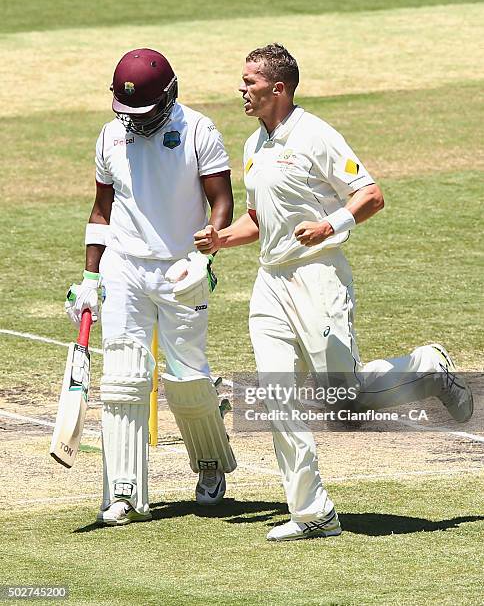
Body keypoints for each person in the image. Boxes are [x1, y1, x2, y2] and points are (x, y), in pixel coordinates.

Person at [194, 43, 473, 542]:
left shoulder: (316, 135)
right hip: (271, 283)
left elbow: (371, 195)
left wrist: (330, 224)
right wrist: (221, 239)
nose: (242, 89)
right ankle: (313, 512)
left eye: (250, 81)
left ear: (277, 88)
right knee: (277, 397)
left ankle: (428, 368)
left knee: (342, 403)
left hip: (319, 276)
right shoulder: (252, 146)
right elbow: (260, 220)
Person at [65, 48, 237, 526]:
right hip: (124, 268)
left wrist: (206, 255)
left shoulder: (199, 130)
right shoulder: (110, 136)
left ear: (169, 95)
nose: (135, 122)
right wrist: (90, 276)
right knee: (123, 378)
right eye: (128, 113)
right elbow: (101, 211)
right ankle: (122, 490)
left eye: (145, 112)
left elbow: (220, 200)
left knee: (186, 378)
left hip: (182, 268)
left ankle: (208, 461)